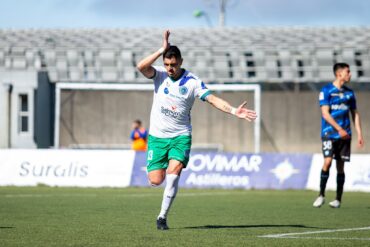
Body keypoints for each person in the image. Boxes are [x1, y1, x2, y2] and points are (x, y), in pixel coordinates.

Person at [136, 30, 257, 230]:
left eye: (173, 65)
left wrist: (235, 111)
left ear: (181, 62)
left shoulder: (192, 82)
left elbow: (212, 99)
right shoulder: (158, 75)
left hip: (180, 136)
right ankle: (160, 177)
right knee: (156, 180)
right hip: (157, 137)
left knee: (174, 172)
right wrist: (161, 49)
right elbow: (141, 66)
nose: (170, 69)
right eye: (166, 64)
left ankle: (162, 217)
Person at [313, 62, 364, 209]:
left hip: (345, 135)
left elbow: (355, 113)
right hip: (329, 133)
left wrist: (360, 133)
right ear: (339, 73)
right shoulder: (326, 90)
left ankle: (337, 199)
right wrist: (338, 128)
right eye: (348, 72)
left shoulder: (349, 93)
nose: (350, 74)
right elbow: (325, 113)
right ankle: (321, 194)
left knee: (340, 167)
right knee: (327, 162)